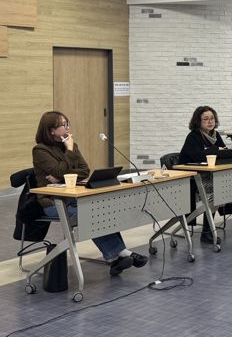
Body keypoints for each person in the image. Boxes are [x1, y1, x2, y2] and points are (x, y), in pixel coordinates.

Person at [32, 111, 148, 276]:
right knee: (91, 214)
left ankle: (115, 259)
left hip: (74, 197)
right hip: (53, 203)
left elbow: (84, 171)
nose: (67, 127)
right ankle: (122, 253)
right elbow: (58, 170)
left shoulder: (72, 145)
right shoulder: (40, 150)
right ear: (51, 130)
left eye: (67, 123)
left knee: (101, 209)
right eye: (63, 125)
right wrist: (68, 151)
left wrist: (61, 175)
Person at [180, 106, 232, 243]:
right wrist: (215, 150)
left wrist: (222, 151)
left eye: (212, 118)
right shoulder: (193, 137)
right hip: (194, 177)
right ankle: (207, 232)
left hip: (212, 173)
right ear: (198, 121)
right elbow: (197, 156)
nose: (210, 121)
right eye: (206, 119)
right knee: (217, 189)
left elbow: (221, 153)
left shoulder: (215, 135)